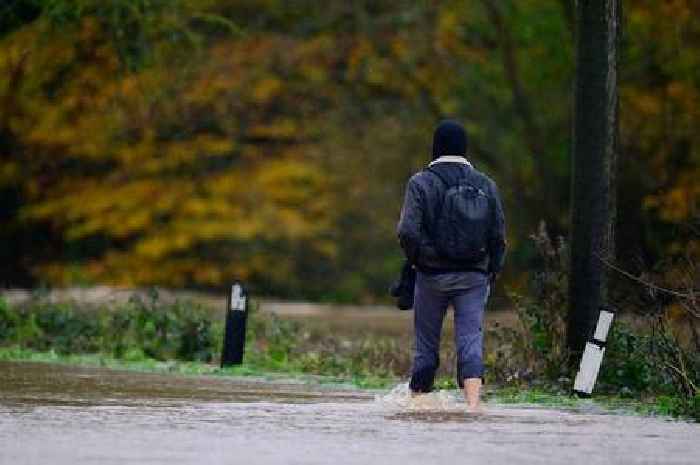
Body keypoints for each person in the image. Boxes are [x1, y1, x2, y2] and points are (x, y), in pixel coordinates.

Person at [397, 120, 506, 410]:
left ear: (435, 146)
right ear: (464, 148)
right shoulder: (486, 184)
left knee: (426, 346)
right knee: (470, 341)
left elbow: (407, 231)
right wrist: (491, 270)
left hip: (431, 276)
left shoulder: (420, 183)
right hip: (474, 277)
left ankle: (418, 406)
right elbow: (498, 236)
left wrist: (417, 259)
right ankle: (472, 406)